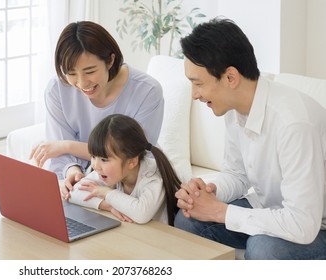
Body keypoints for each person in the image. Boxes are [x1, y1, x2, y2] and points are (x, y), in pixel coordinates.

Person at [174, 17, 326, 259]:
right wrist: (208, 192)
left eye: (198, 83)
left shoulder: (294, 123)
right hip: (272, 211)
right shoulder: (233, 108)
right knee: (187, 219)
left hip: (315, 225)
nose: (194, 95)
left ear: (230, 77)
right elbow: (237, 175)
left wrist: (219, 212)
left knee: (264, 248)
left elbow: (302, 224)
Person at [28, 21, 164, 185]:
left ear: (110, 60)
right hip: (81, 183)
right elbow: (58, 153)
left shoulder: (147, 91)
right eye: (71, 73)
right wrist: (73, 171)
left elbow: (130, 156)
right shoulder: (57, 90)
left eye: (90, 71)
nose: (82, 83)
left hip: (130, 185)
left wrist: (67, 146)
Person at [61, 114, 181, 226]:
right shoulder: (109, 172)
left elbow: (141, 214)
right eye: (93, 156)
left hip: (158, 239)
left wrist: (106, 193)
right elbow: (73, 193)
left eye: (104, 159)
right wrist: (108, 206)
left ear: (132, 162)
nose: (95, 165)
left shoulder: (152, 176)